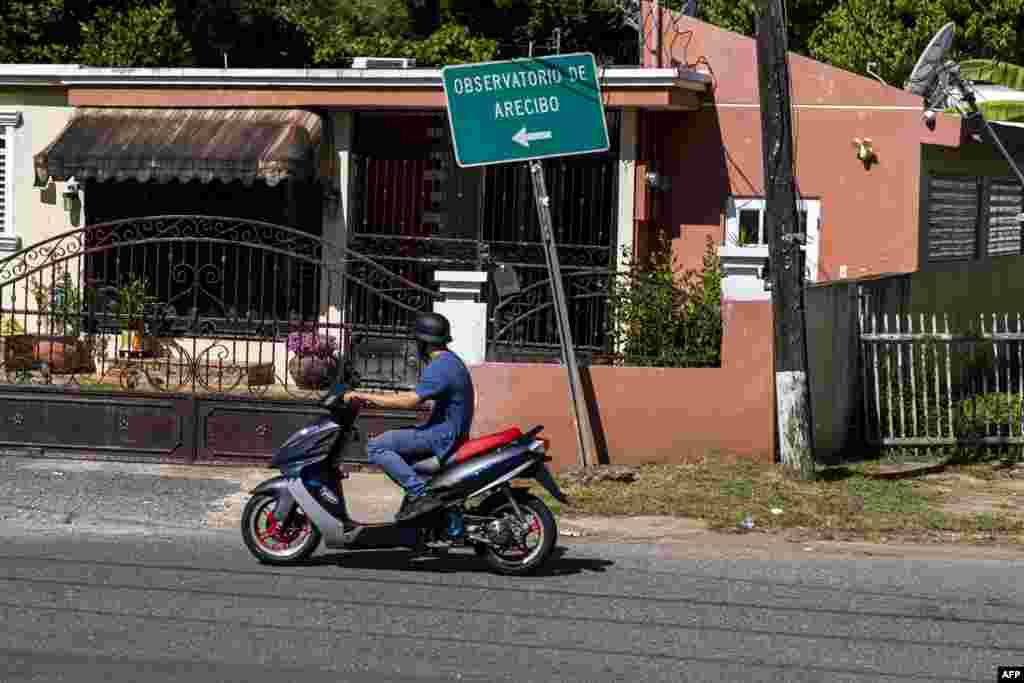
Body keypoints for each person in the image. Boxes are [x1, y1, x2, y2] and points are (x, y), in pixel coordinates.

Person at [343, 312, 474, 523]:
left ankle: (421, 495)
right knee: (404, 448)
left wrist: (363, 395)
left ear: (423, 342)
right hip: (446, 430)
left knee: (376, 446)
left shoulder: (441, 367)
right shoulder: (451, 360)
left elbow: (409, 401)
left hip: (441, 435)